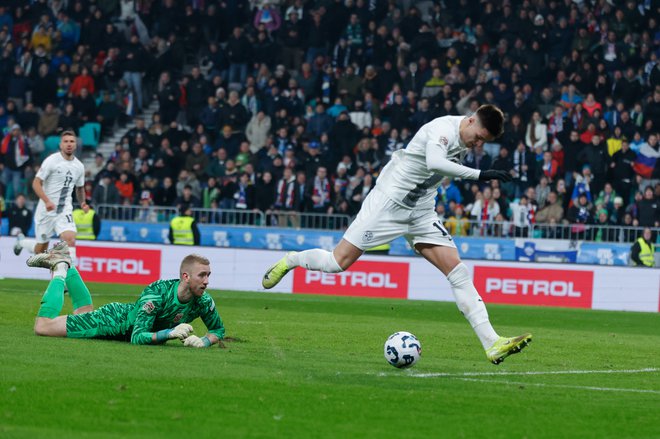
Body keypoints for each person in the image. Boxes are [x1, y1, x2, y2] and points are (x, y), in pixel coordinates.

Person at [261, 105, 532, 365]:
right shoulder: (443, 129)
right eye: (478, 138)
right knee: (337, 263)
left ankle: (492, 343)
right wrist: (480, 175)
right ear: (471, 120)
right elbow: (435, 162)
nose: (477, 144)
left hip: (421, 210)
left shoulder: (466, 137)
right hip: (388, 204)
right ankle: (293, 260)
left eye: (483, 142)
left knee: (458, 271)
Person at [27, 244, 225, 347]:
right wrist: (169, 333)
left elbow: (217, 329)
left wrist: (204, 341)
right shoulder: (157, 293)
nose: (207, 281)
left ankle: (66, 262)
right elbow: (137, 337)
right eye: (202, 275)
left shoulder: (203, 300)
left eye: (208, 275)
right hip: (112, 322)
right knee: (43, 326)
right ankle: (61, 269)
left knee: (82, 314)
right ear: (186, 276)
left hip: (123, 324)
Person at [14, 130, 87, 261]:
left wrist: (82, 203)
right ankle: (21, 242)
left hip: (64, 210)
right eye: (66, 141)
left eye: (72, 141)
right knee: (40, 251)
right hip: (46, 211)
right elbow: (36, 183)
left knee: (70, 239)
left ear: (75, 145)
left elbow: (80, 188)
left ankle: (68, 273)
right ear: (60, 145)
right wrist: (47, 201)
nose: (69, 144)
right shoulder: (51, 161)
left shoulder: (79, 166)